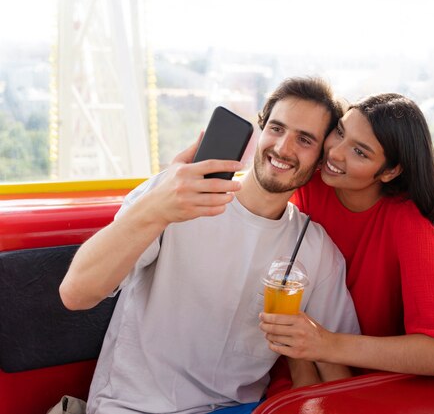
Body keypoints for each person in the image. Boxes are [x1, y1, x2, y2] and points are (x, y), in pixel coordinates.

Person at [58, 77, 360, 414]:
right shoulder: (175, 194)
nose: (284, 148)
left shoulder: (316, 250)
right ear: (259, 131)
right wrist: (154, 208)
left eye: (304, 140)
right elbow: (76, 293)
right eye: (276, 129)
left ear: (321, 160)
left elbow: (333, 365)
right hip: (136, 407)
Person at [260, 93, 434, 391]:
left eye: (359, 152)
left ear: (390, 171)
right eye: (339, 132)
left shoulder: (408, 226)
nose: (335, 153)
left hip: (365, 383)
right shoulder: (309, 182)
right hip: (290, 364)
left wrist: (326, 344)